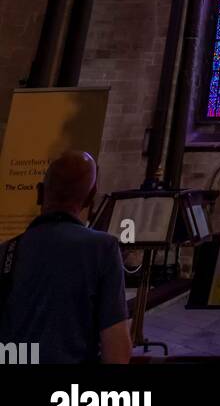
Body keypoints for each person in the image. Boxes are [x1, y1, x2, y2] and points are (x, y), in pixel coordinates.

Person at [0, 150, 131, 364]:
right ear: (90, 197)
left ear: (40, 193)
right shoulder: (102, 249)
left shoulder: (6, 251)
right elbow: (116, 349)